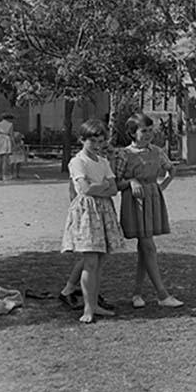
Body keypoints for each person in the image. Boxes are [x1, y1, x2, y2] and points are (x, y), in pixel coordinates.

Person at [113, 112, 184, 309]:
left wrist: (162, 186)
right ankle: (162, 294)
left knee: (145, 249)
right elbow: (116, 183)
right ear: (132, 133)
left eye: (150, 131)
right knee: (148, 247)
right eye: (144, 131)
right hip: (134, 202)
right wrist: (132, 181)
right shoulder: (124, 154)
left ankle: (137, 293)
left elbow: (171, 169)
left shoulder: (157, 151)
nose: (148, 135)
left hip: (152, 199)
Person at [61, 119, 122, 324]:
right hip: (87, 212)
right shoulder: (77, 161)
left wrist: (100, 186)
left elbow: (113, 189)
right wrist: (101, 185)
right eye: (92, 141)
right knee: (90, 261)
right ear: (82, 140)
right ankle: (88, 308)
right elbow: (85, 189)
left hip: (104, 210)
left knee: (100, 259)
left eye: (100, 141)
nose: (97, 145)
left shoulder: (102, 161)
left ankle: (94, 303)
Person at [0, 112, 13, 182]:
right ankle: (4, 175)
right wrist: (13, 144)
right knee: (5, 159)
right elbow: (11, 135)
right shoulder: (10, 124)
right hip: (6, 138)